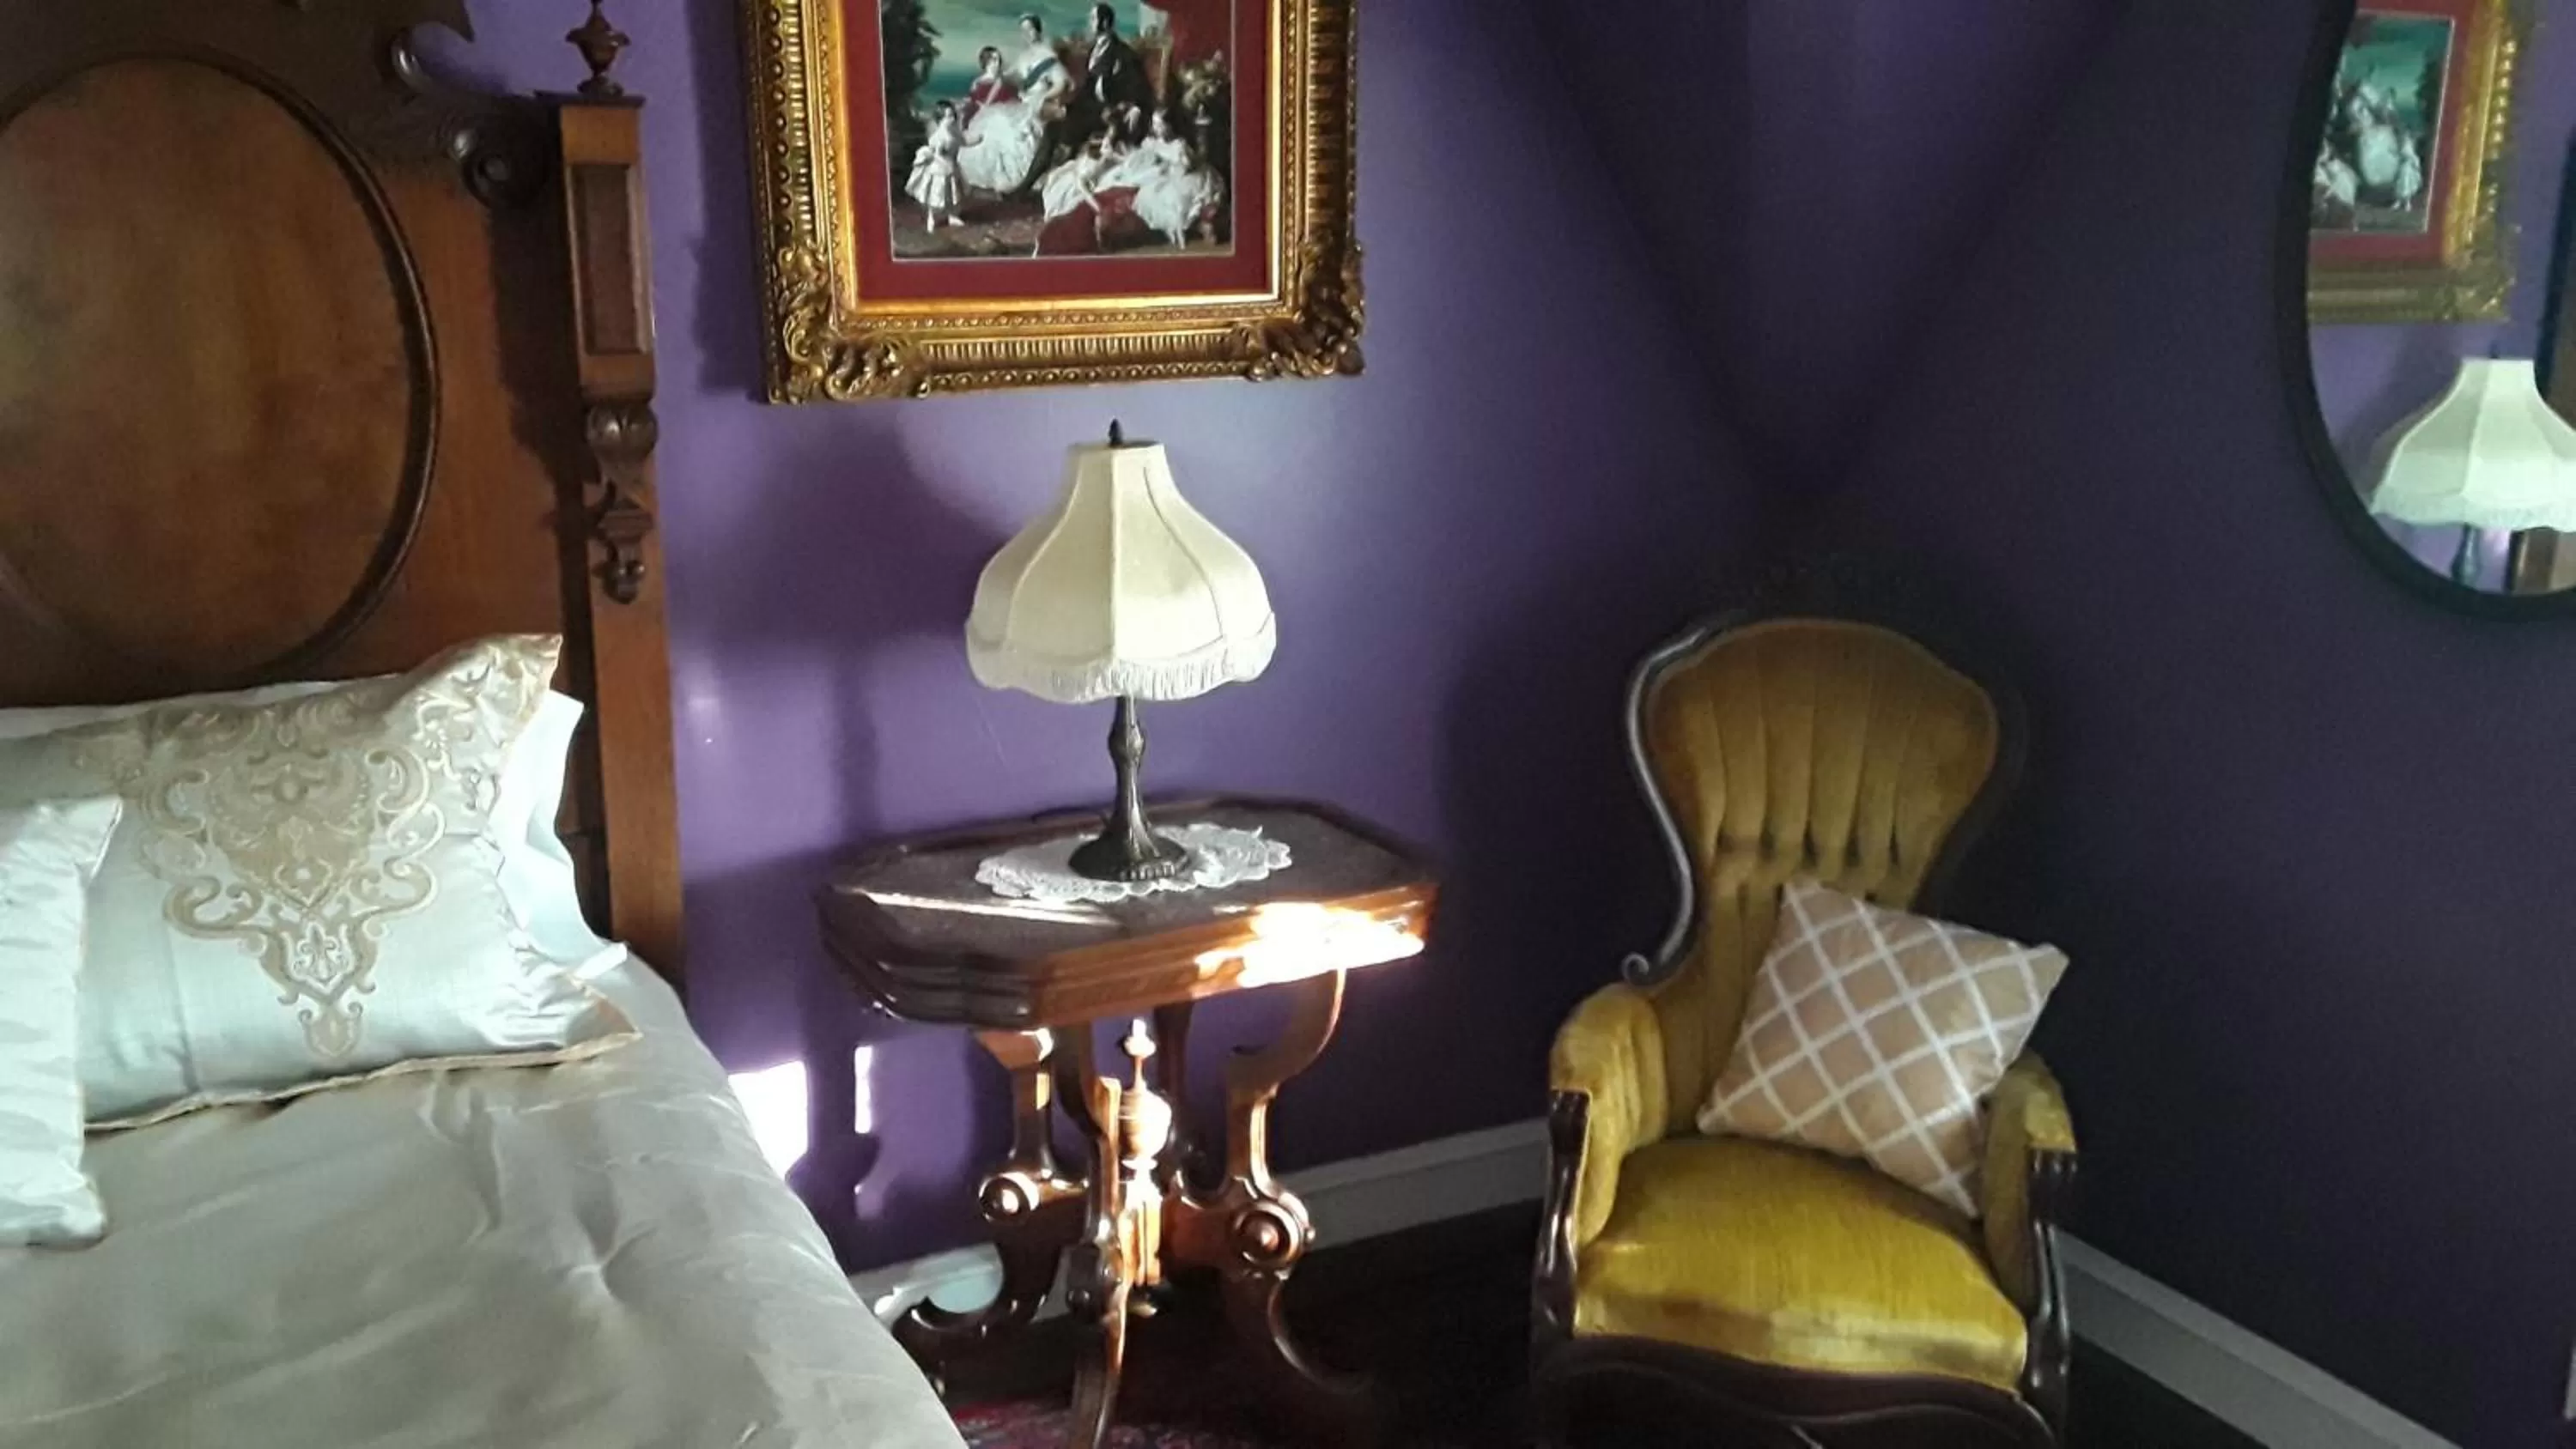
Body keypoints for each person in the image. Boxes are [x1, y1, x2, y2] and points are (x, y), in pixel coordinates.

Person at [957, 46, 1045, 195]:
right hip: (988, 117)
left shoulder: (1006, 80)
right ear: (986, 62)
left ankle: (1025, 178)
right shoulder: (978, 82)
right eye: (993, 60)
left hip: (1012, 113)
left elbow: (1017, 97)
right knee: (999, 129)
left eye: (998, 59)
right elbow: (975, 103)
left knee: (1018, 132)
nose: (997, 63)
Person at [1076, 4, 1157, 144]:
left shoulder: (1123, 52)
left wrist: (1136, 106)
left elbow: (1138, 83)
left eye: (1093, 18)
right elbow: (1087, 86)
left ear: (1105, 22)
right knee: (1056, 127)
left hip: (1113, 109)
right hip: (1093, 108)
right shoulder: (1092, 51)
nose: (1090, 23)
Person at [903, 102, 964, 231]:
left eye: (953, 116)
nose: (952, 119)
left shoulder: (954, 133)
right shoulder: (939, 137)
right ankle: (932, 218)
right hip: (939, 170)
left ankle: (952, 215)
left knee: (952, 194)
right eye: (948, 117)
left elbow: (963, 142)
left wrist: (977, 141)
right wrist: (944, 161)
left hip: (951, 167)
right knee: (937, 195)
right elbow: (937, 155)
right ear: (940, 119)